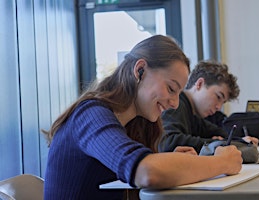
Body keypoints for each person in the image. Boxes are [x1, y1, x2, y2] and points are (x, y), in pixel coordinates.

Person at [42, 35, 243, 200]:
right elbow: (147, 172)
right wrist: (222, 163)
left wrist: (171, 161)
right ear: (139, 70)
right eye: (171, 89)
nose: (174, 102)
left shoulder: (135, 124)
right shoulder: (90, 114)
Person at [159, 60, 259, 154]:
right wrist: (216, 143)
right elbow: (168, 142)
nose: (219, 107)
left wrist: (240, 141)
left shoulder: (192, 115)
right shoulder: (177, 104)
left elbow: (219, 132)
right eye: (218, 97)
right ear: (200, 84)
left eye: (223, 103)